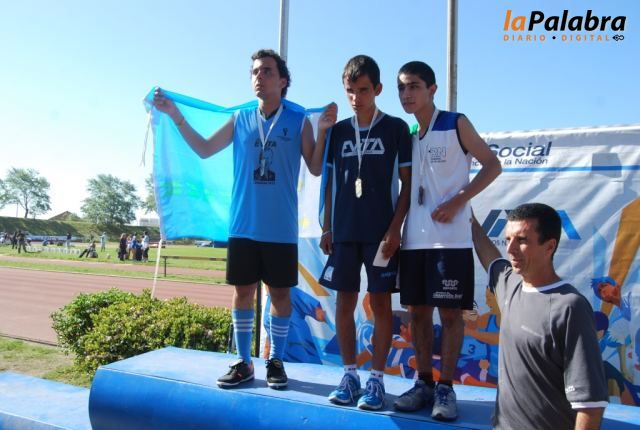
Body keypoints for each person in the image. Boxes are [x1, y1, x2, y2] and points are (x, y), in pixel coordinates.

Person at [153, 49, 336, 389]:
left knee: (280, 295)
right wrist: (176, 115)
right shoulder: (240, 118)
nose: (258, 77)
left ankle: (276, 361)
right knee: (243, 292)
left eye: (267, 71)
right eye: (254, 72)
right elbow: (204, 149)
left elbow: (314, 167)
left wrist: (323, 129)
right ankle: (243, 362)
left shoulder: (298, 120)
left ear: (283, 81)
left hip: (280, 227)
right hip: (242, 225)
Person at [393, 61, 501, 421]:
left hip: (451, 241)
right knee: (417, 313)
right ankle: (424, 382)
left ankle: (446, 387)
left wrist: (458, 201)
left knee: (451, 314)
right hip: (414, 240)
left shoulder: (455, 123)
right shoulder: (408, 133)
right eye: (401, 88)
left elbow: (492, 165)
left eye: (414, 86)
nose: (407, 94)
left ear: (432, 89)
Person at [318, 54, 411, 410]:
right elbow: (329, 182)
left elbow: (407, 183)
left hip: (380, 232)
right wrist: (327, 225)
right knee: (344, 302)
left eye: (363, 90)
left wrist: (395, 228)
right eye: (350, 91)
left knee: (380, 303)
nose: (356, 98)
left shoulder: (396, 128)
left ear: (378, 89)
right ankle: (349, 375)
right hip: (343, 231)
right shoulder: (338, 131)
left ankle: (377, 380)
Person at [471, 203, 608, 429]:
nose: (510, 249)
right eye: (508, 240)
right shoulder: (510, 285)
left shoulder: (570, 307)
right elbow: (491, 259)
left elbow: (590, 406)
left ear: (550, 246)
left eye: (522, 240)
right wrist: (468, 217)